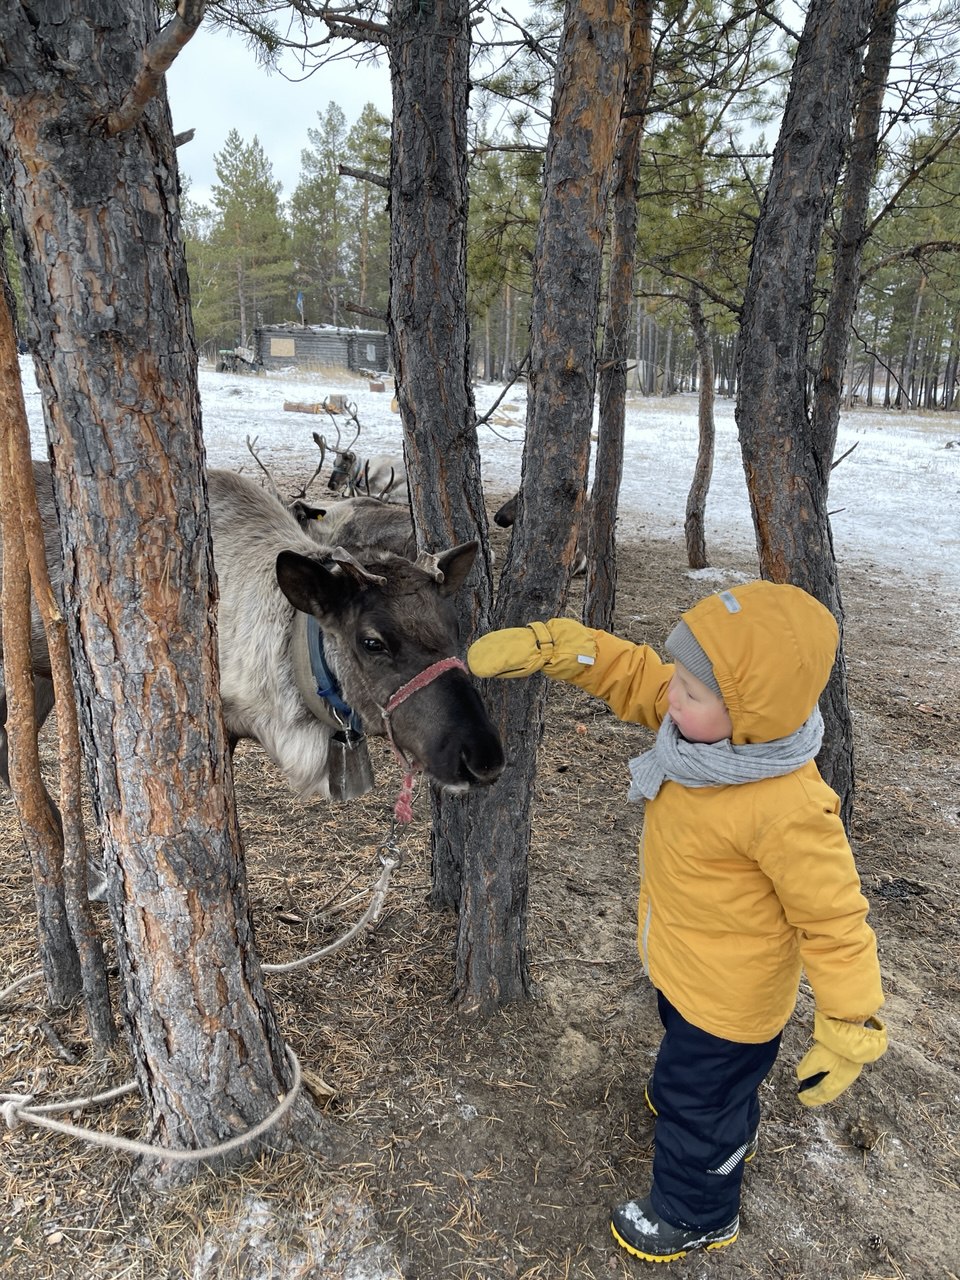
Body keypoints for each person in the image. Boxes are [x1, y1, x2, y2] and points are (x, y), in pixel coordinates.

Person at [467, 580, 887, 1264]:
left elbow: (835, 918)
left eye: (691, 692)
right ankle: (718, 1114)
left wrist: (848, 1022)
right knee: (695, 1072)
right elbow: (633, 674)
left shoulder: (789, 809)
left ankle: (698, 1212)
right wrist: (559, 647)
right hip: (685, 967)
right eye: (681, 683)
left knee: (702, 1103)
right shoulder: (706, 737)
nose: (673, 698)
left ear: (749, 713)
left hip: (731, 1006)